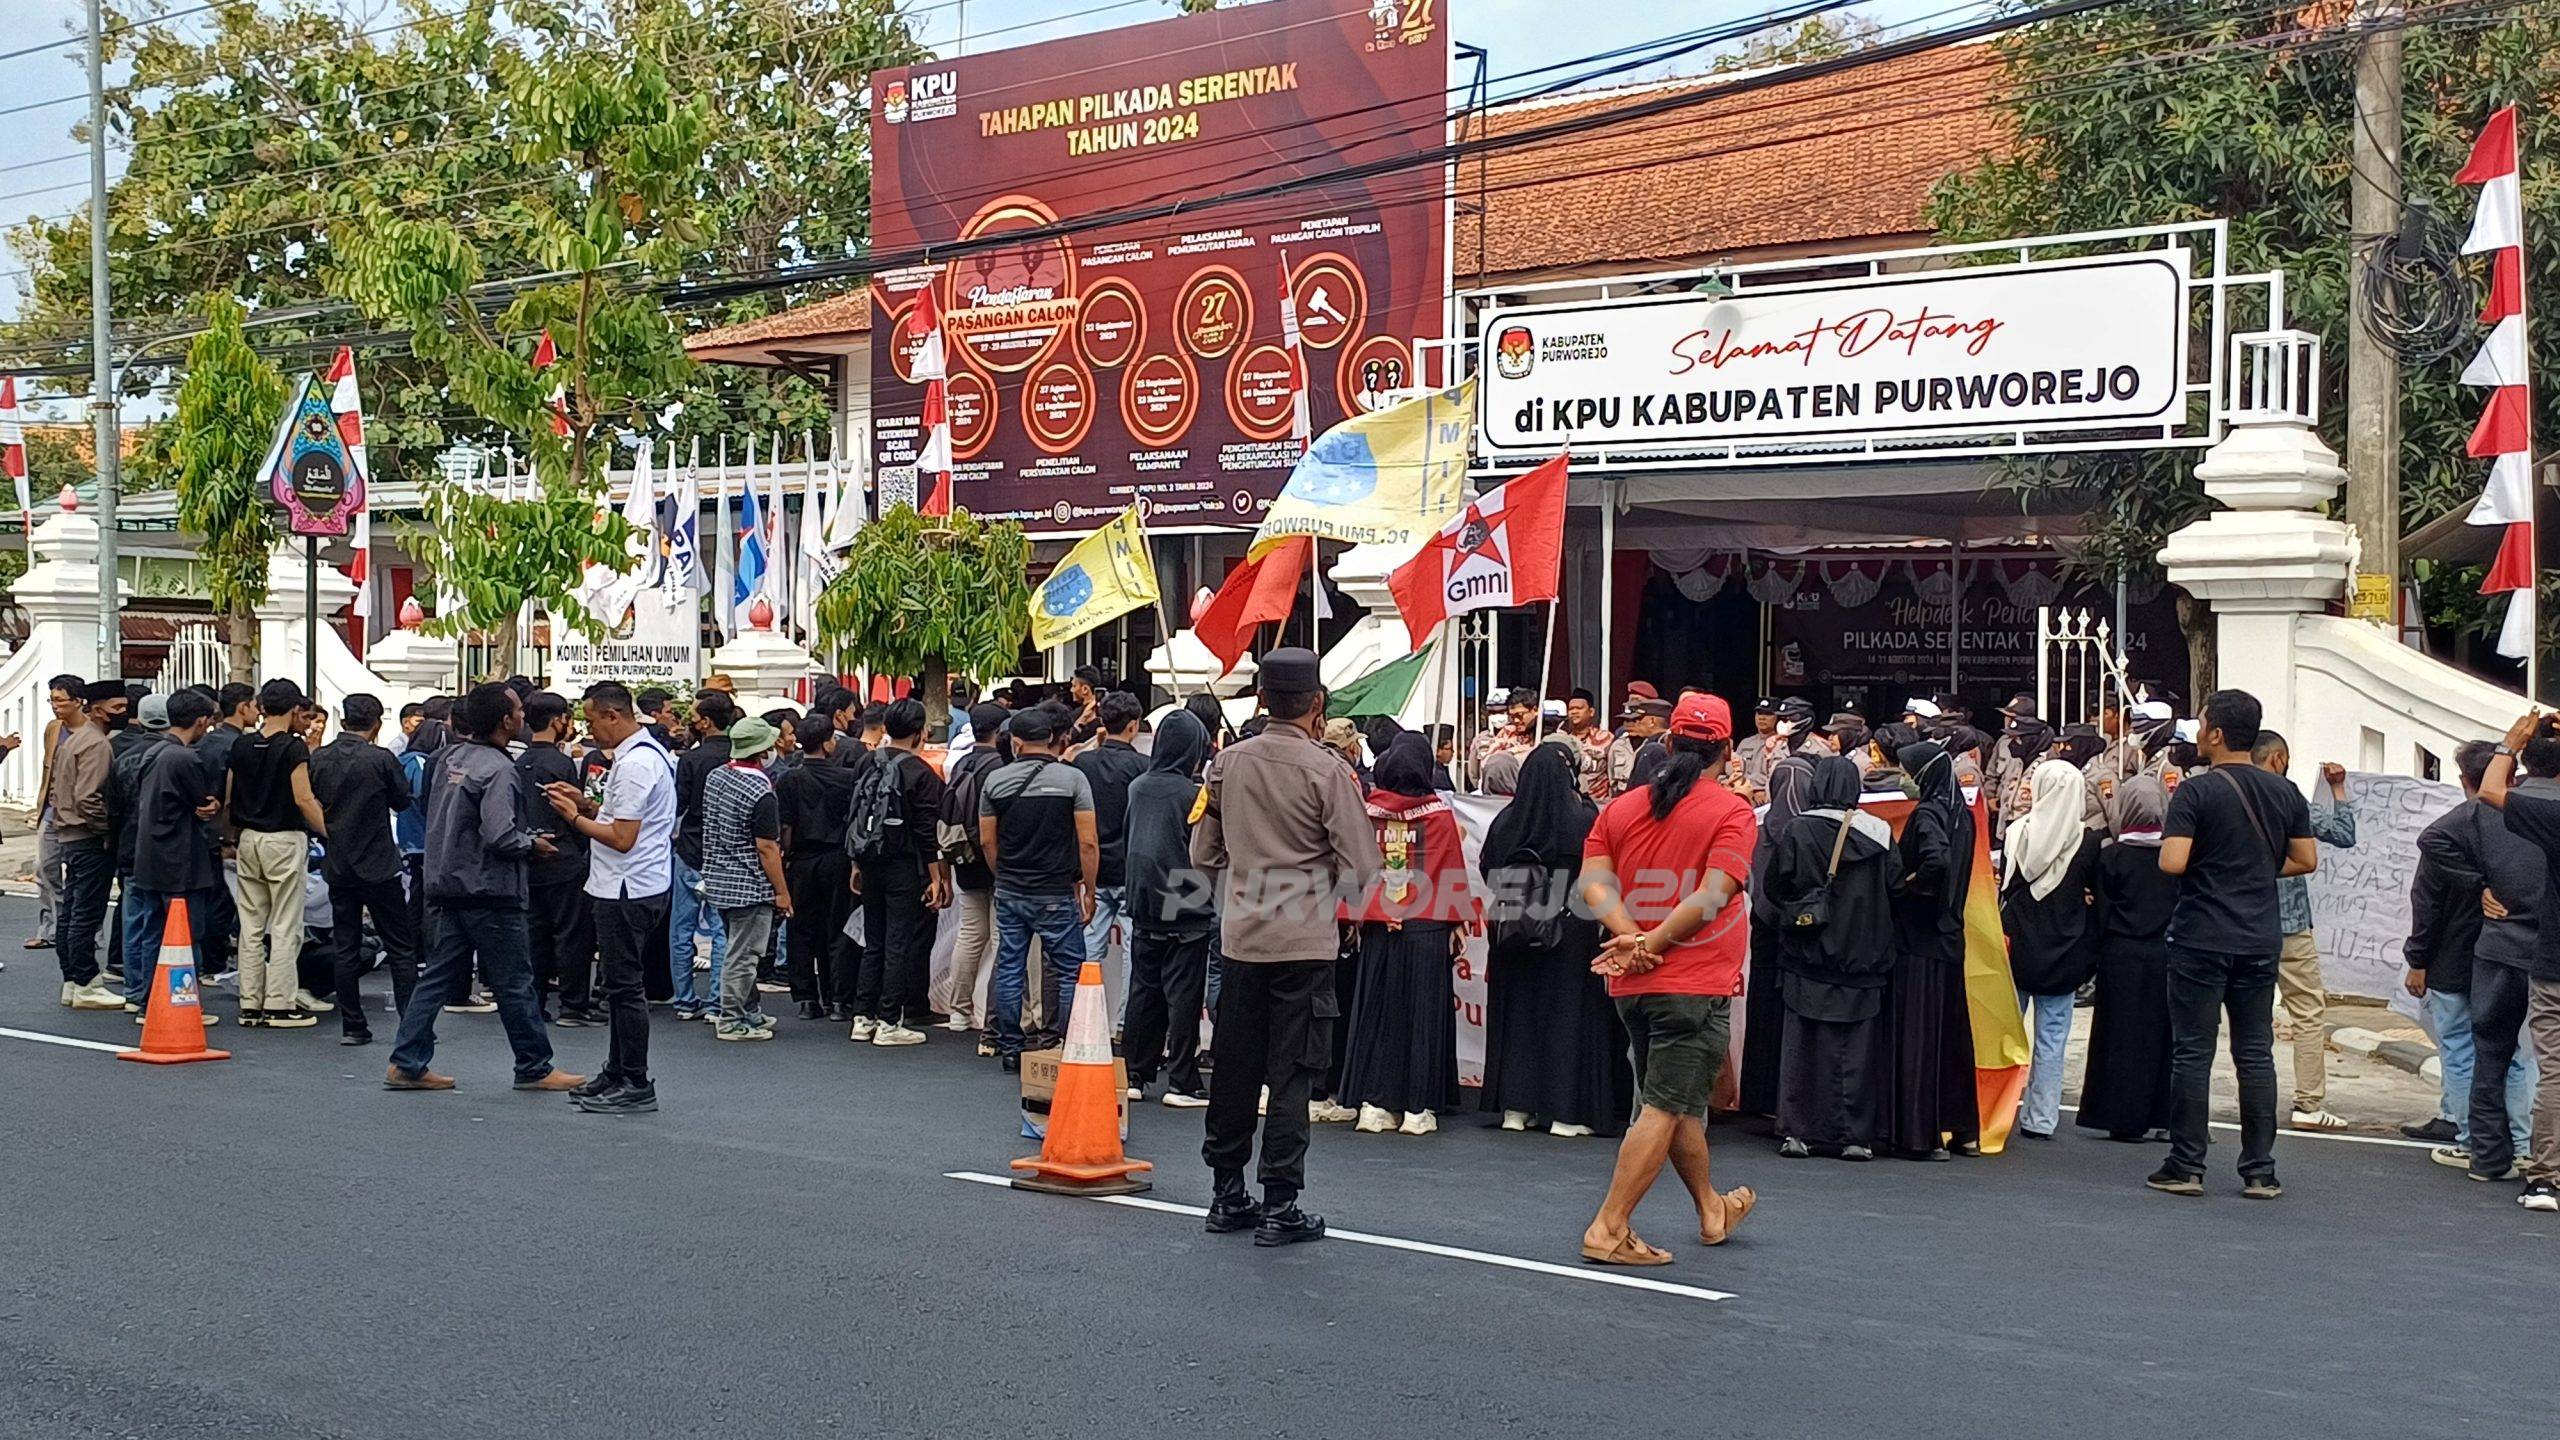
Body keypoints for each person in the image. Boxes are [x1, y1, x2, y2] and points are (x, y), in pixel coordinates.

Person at [1190, 648, 1377, 1246]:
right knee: (1294, 1073)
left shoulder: (1225, 765)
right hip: (1305, 941)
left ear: (1263, 699)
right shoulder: (1326, 771)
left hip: (1242, 937)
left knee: (1236, 1067)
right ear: (1317, 705)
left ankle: (1226, 1194)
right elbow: (1364, 868)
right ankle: (1280, 1203)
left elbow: (1202, 855)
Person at [1575, 692, 1758, 1265]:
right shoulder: (1731, 811)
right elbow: (1712, 895)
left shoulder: (1622, 808)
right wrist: (1648, 944)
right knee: (1664, 1105)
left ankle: (1710, 1208)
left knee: (1671, 1101)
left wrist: (1630, 937)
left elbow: (1594, 883)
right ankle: (1609, 1227)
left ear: (1669, 743)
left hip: (1637, 984)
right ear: (1726, 750)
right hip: (1694, 982)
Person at [2149, 689, 2315, 1200]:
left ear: (2216, 733)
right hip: (2260, 935)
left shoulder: (2197, 792)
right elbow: (2305, 859)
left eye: (2201, 725)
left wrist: (2213, 868)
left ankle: (2186, 1164)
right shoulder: (2285, 793)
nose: (2198, 734)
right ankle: (2260, 1170)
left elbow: (2172, 862)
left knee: (2194, 1053)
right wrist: (2254, 871)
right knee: (2256, 1053)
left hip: (2202, 933)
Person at [387, 683, 582, 1095]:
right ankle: (533, 1065)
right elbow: (500, 835)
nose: (522, 717)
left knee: (438, 977)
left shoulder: (450, 759)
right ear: (503, 721)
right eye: (516, 711)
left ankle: (407, 1060)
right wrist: (533, 844)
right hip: (489, 889)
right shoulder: (498, 769)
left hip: (448, 882)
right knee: (514, 980)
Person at [1479, 743, 1630, 1138]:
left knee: (1517, 1019)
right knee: (1569, 1018)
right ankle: (1565, 1112)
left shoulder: (1506, 820)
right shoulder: (1583, 818)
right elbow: (1603, 873)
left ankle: (1515, 1107)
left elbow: (1487, 867)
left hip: (1514, 929)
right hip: (1572, 928)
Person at [542, 681, 678, 1115]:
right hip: (635, 881)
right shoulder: (643, 756)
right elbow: (620, 819)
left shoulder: (637, 763)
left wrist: (574, 818)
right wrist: (584, 803)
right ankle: (617, 1070)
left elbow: (622, 837)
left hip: (626, 885)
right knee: (620, 987)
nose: (588, 730)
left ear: (613, 716)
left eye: (592, 720)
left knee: (623, 987)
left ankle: (635, 1079)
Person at [1339, 733, 1480, 1136]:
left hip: (1380, 927)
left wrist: (1352, 919)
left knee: (1378, 1013)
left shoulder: (1368, 812)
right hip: (1426, 927)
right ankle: (1418, 1110)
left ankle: (1373, 1104)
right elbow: (1452, 870)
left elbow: (1355, 867)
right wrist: (1456, 924)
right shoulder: (1438, 815)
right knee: (1422, 1015)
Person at [1762, 755, 1898, 1160]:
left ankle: (1797, 1132)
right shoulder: (1879, 832)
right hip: (1864, 956)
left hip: (1808, 952)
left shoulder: (1797, 829)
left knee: (1802, 1045)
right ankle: (1854, 1136)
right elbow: (1895, 885)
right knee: (1856, 1049)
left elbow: (1775, 886)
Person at [2400, 742, 2518, 1151]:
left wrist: (2417, 959)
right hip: (2512, 954)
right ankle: (2518, 1142)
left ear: (2465, 780)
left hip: (2453, 959)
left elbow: (2426, 902)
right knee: (2516, 1053)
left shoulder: (2452, 830)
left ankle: (2470, 1137)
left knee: (2460, 1049)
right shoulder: (2525, 829)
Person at [2248, 732, 2358, 1131]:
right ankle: (2308, 1103)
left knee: (2246, 1013)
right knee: (2308, 1012)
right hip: (2290, 921)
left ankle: (2251, 1097)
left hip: (2243, 919)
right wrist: (2339, 789)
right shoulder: (2288, 796)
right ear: (2277, 759)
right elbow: (2344, 834)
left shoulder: (2227, 790)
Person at [978, 704, 1098, 1069]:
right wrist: (1089, 889)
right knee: (1067, 969)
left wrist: (1003, 874)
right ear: (1052, 739)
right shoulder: (1073, 779)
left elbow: (986, 841)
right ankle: (1064, 1041)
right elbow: (1088, 841)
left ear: (1015, 742)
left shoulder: (995, 782)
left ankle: (1011, 1047)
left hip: (1012, 887)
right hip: (1055, 890)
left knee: (1011, 966)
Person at [2472, 711, 2559, 1198]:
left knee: (2521, 1061)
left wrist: (2508, 744)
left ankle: (2516, 1165)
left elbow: (2487, 793)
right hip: (2539, 951)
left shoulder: (2530, 810)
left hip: (2523, 950)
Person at [1884, 740, 1980, 1160]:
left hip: (1920, 937)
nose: (1903, 778)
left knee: (1920, 1037)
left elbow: (1936, 863)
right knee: (1952, 1037)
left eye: (1907, 771)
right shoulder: (1962, 815)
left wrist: (1910, 886)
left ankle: (1920, 1135)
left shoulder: (1926, 814)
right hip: (1951, 936)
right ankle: (1964, 1131)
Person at [2000, 758, 2105, 1141]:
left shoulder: (2016, 833)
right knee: (2052, 1038)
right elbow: (2095, 894)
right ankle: (2041, 1118)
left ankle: (1997, 1109)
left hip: (2017, 946)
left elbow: (2006, 887)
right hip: (2065, 949)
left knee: (2007, 1036)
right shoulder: (2089, 841)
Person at [308, 694, 421, 1045]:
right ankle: (410, 1024)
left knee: (346, 944)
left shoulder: (321, 758)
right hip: (378, 862)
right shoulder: (381, 759)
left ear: (343, 720)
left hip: (339, 861)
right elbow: (402, 801)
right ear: (376, 723)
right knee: (401, 946)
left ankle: (353, 1025)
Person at [2077, 775, 2180, 1142]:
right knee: (2163, 1036)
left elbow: (2101, 911)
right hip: (2165, 954)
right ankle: (2164, 1116)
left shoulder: (2112, 856)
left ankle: (2122, 1117)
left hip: (2121, 954)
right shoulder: (2174, 859)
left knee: (2120, 1036)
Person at [1123, 708, 1216, 1106]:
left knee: (1144, 989)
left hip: (1142, 895)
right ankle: (1182, 1079)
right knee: (1184, 993)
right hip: (1186, 896)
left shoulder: (1138, 786)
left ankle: (1135, 1072)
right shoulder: (1195, 794)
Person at [227, 679, 328, 1028]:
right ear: (294, 709)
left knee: (251, 924)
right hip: (284, 838)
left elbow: (229, 794)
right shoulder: (292, 748)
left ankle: (250, 1002)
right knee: (285, 923)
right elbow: (303, 797)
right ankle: (280, 1004)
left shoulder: (241, 744)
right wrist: (328, 831)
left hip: (248, 838)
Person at [850, 699, 948, 1046]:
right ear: (922, 731)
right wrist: (936, 877)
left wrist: (856, 863)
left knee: (874, 941)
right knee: (898, 942)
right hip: (904, 865)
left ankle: (863, 1016)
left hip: (870, 859)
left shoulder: (867, 761)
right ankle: (890, 1020)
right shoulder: (921, 773)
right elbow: (926, 831)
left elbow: (857, 815)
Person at [122, 689, 222, 1015]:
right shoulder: (184, 758)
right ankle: (179, 1002)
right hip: (179, 858)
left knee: (153, 931)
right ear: (201, 720)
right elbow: (203, 804)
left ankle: (149, 999)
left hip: (150, 853)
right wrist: (209, 807)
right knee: (183, 935)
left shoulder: (155, 752)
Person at [1737, 723, 1818, 1118]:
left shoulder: (1759, 823)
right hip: (1794, 935)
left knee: (1762, 1014)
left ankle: (1757, 1095)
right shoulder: (1812, 832)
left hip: (1763, 929)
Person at [509, 691, 599, 1026]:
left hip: (529, 857)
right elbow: (571, 812)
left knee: (535, 933)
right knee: (572, 934)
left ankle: (535, 1002)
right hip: (564, 856)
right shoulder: (561, 764)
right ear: (558, 720)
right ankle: (574, 1005)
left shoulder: (518, 762)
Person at [699, 716, 790, 1042]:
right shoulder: (761, 789)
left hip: (719, 879)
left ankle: (749, 1011)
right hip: (751, 884)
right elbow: (767, 847)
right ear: (763, 748)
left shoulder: (716, 777)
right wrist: (782, 892)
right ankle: (732, 1018)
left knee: (736, 949)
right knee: (745, 955)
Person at [1074, 691, 1148, 1026]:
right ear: (1134, 726)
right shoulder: (1142, 768)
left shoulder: (1084, 764)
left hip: (1092, 867)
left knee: (1090, 946)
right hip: (1129, 868)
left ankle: (1083, 1018)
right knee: (1134, 951)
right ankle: (1124, 1024)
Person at [937, 702, 1009, 1041]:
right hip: (993, 858)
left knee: (970, 933)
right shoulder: (1000, 766)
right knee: (999, 938)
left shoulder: (962, 762)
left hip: (963, 856)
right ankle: (996, 1015)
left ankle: (958, 1010)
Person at [777, 715, 856, 1022]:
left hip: (802, 858)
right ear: (827, 743)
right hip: (837, 856)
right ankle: (838, 998)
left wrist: (786, 857)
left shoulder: (789, 779)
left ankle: (806, 997)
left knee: (801, 929)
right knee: (837, 928)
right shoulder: (847, 778)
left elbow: (786, 826)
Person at [668, 690, 737, 1020]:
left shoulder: (689, 760)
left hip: (691, 848)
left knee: (681, 928)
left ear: (706, 722)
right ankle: (717, 1000)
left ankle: (684, 998)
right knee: (722, 929)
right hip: (727, 852)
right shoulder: (737, 758)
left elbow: (677, 807)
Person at [1988, 695, 2051, 831]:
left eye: (2012, 717)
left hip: (2027, 816)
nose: (2007, 720)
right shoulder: (2002, 742)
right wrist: (1990, 796)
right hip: (2002, 812)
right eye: (2006, 716)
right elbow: (1991, 773)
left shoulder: (2043, 748)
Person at [1608, 696, 1671, 797]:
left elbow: (1641, 789)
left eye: (1639, 719)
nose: (1636, 723)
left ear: (1652, 721)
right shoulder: (1647, 743)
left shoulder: (1658, 747)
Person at [1470, 689, 1540, 774]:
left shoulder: (1543, 734)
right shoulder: (1505, 735)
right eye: (1512, 716)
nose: (1516, 720)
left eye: (1520, 715)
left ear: (1535, 710)